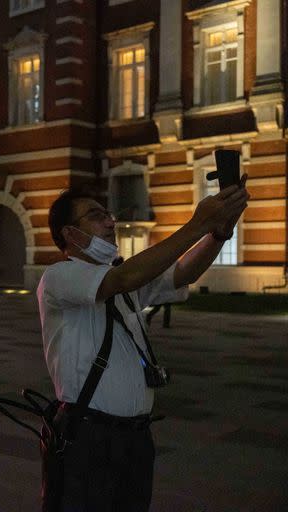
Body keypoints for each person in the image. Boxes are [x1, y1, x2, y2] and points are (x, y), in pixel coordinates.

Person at [36, 176, 248, 511]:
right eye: (95, 215)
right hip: (89, 438)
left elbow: (183, 273)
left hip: (134, 437)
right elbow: (124, 278)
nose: (110, 221)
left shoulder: (123, 278)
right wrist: (198, 223)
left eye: (109, 215)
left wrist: (219, 231)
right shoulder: (59, 277)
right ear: (69, 233)